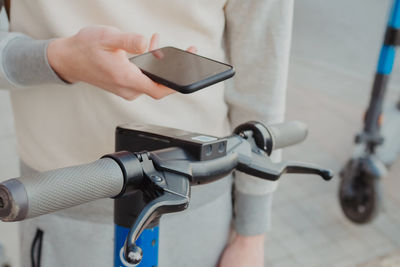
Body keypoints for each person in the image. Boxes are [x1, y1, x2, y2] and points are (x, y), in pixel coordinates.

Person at [0, 0, 293, 266]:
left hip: (197, 209)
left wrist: (250, 236)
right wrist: (59, 59)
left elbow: (262, 71)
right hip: (63, 204)